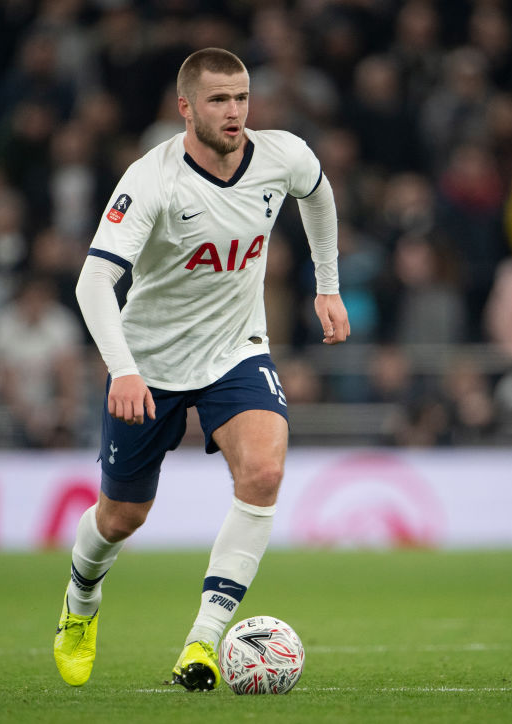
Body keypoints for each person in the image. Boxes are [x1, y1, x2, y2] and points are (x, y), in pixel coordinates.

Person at [53, 48, 350, 690]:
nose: (235, 111)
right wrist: (124, 369)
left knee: (265, 470)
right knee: (121, 518)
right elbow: (93, 282)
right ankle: (80, 602)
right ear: (186, 107)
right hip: (149, 363)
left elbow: (319, 193)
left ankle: (203, 642)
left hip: (235, 349)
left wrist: (327, 285)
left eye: (242, 97)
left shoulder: (282, 156)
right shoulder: (152, 178)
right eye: (219, 100)